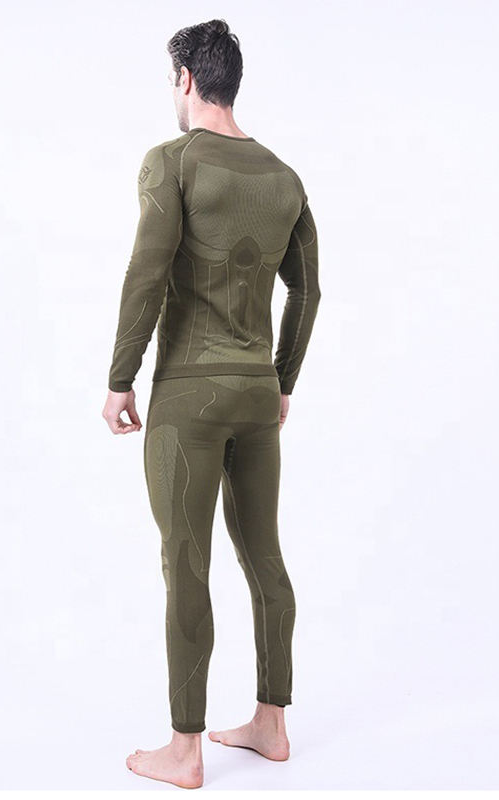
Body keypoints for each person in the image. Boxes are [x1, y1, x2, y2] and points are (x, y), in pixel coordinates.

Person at [102, 18, 321, 789]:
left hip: (189, 399)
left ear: (188, 80)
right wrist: (282, 380)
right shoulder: (285, 178)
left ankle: (185, 749)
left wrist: (120, 376)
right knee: (264, 556)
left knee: (186, 563)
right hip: (258, 397)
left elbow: (147, 270)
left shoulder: (173, 162)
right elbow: (308, 290)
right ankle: (271, 724)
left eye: (173, 80)